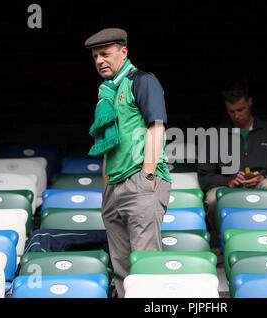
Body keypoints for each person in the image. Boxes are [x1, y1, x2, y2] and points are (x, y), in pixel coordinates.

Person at [84, 28, 171, 297]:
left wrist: (147, 175)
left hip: (139, 180)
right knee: (121, 270)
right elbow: (108, 147)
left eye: (105, 54)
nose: (99, 61)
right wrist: (106, 187)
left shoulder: (142, 80)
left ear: (124, 52)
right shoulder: (107, 94)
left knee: (144, 266)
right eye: (96, 56)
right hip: (114, 187)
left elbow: (156, 126)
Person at [197, 79, 267, 236]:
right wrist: (230, 182)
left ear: (250, 102)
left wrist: (263, 177)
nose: (236, 115)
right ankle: (222, 239)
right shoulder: (215, 134)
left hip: (260, 184)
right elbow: (205, 177)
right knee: (212, 198)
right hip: (229, 186)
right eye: (231, 111)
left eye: (241, 109)